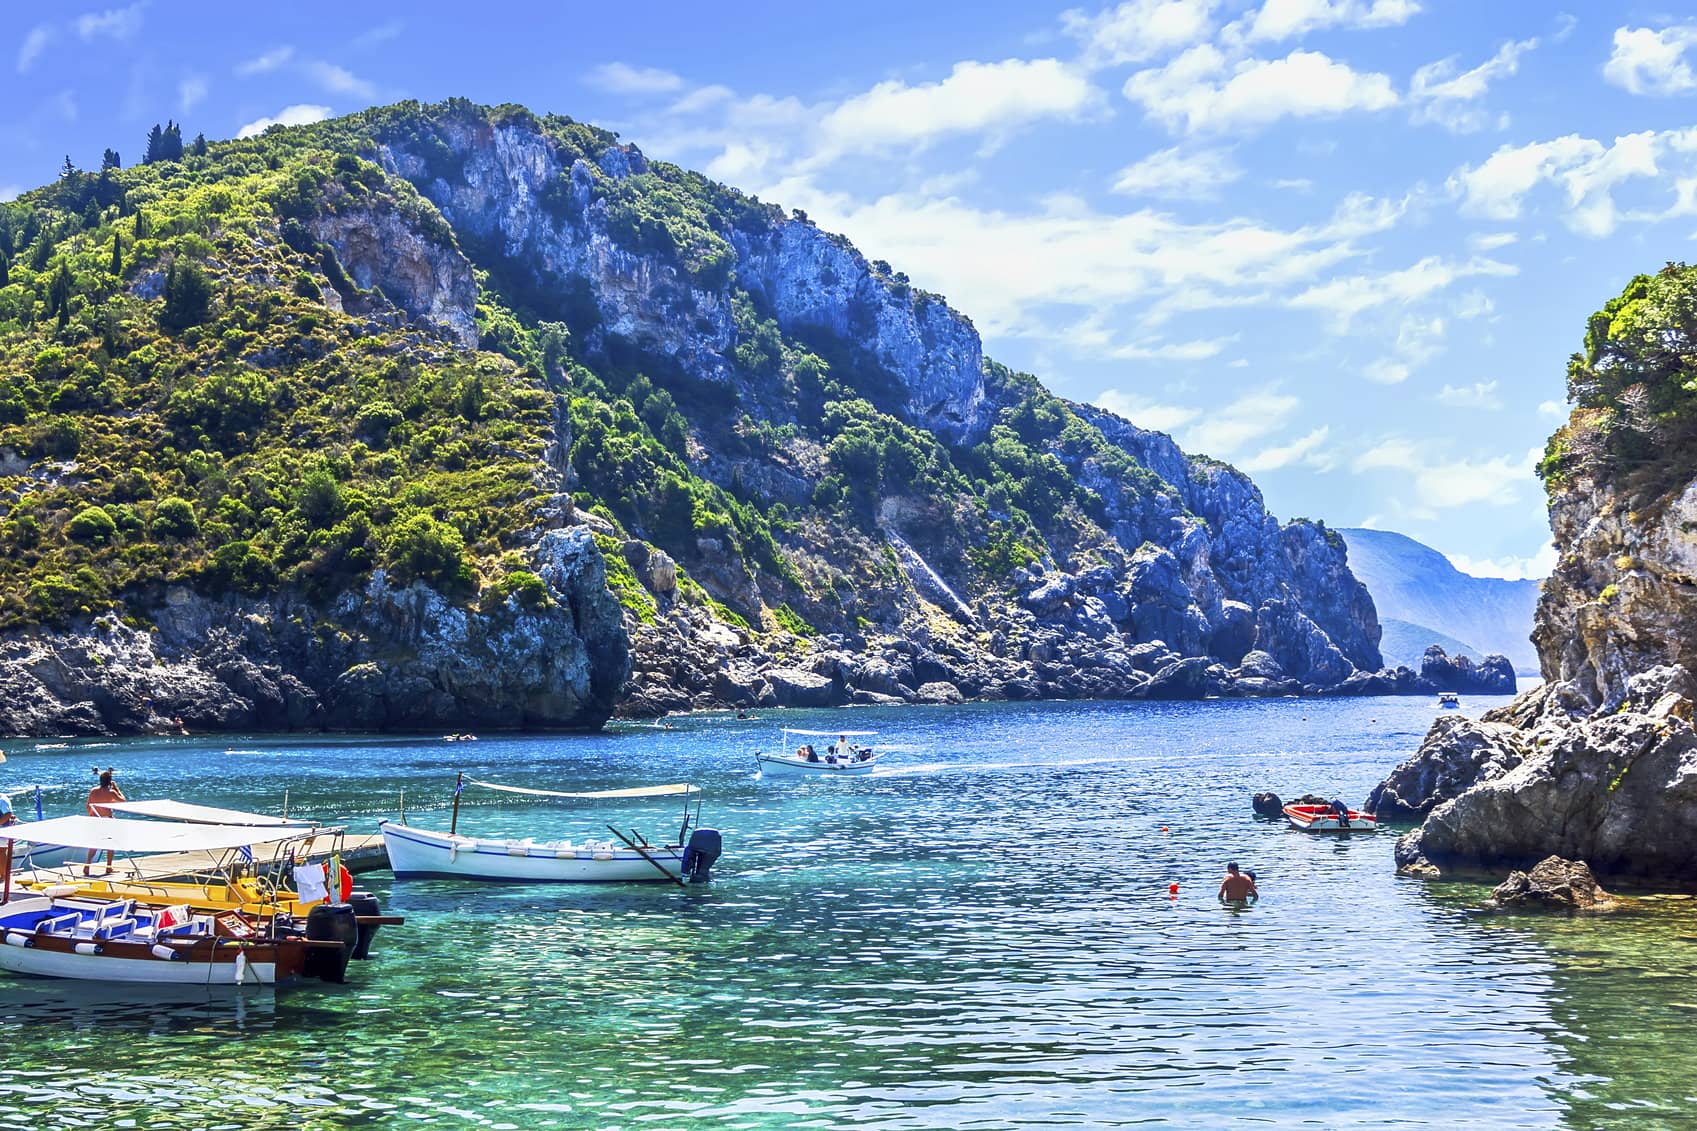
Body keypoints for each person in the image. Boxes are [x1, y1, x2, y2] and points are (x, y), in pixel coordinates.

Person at [84, 768, 126, 875]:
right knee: (110, 843)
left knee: (94, 843)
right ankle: (108, 867)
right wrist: (116, 788)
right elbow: (123, 800)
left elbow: (88, 806)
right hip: (107, 820)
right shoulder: (111, 792)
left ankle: (87, 865)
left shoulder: (93, 791)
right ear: (109, 781)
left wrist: (92, 815)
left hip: (95, 819)